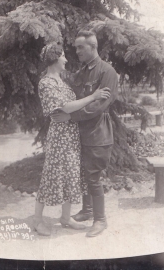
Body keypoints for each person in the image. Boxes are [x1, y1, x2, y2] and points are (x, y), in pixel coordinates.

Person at [33, 41, 111, 236]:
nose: (66, 59)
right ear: (54, 59)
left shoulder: (61, 81)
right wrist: (93, 97)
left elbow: (72, 105)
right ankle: (37, 220)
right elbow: (66, 107)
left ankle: (66, 217)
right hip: (59, 137)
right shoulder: (46, 83)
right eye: (63, 56)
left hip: (71, 136)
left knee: (70, 175)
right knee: (51, 175)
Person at [52, 31, 118, 237]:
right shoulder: (82, 71)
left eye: (80, 47)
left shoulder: (107, 71)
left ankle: (100, 219)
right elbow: (73, 95)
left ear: (93, 47)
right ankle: (88, 211)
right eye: (76, 47)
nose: (76, 51)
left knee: (93, 176)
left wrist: (70, 118)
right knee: (84, 174)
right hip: (80, 133)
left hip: (98, 133)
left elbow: (99, 106)